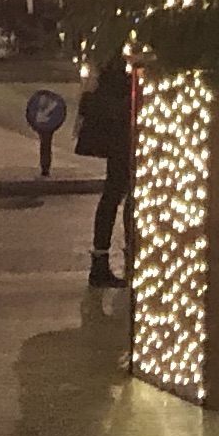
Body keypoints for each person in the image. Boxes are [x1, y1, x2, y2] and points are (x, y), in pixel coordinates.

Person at [76, 54, 138, 290]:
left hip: (119, 127)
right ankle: (120, 259)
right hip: (121, 128)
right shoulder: (117, 53)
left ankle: (105, 260)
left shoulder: (111, 46)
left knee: (117, 192)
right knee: (121, 192)